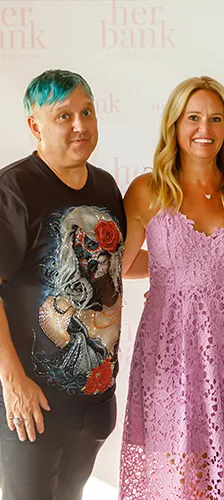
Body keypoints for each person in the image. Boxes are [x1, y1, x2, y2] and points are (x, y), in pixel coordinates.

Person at [119, 76, 224, 499]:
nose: (205, 128)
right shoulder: (147, 190)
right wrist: (169, 273)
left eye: (216, 119)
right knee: (173, 468)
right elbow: (120, 265)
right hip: (169, 347)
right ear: (174, 125)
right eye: (193, 117)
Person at [0, 69, 125, 500]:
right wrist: (13, 382)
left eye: (86, 112)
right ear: (35, 126)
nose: (79, 125)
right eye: (63, 116)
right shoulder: (14, 189)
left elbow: (118, 264)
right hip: (32, 406)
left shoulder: (105, 186)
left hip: (95, 404)